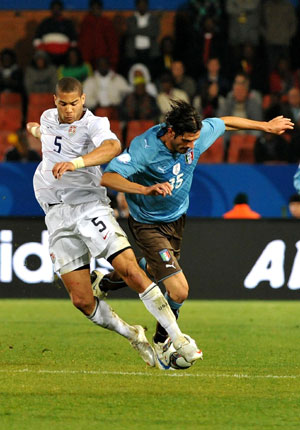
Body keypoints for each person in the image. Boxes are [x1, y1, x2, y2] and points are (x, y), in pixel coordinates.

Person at [100, 99, 293, 368]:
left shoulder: (197, 136)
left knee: (154, 271)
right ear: (170, 131)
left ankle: (105, 283)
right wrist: (145, 189)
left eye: (195, 140)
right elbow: (108, 177)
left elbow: (225, 122)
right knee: (178, 291)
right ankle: (162, 342)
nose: (192, 146)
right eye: (186, 141)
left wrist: (265, 126)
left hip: (177, 219)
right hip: (147, 223)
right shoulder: (145, 149)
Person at [26, 77, 202, 370]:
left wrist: (77, 163)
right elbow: (40, 130)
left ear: (83, 100)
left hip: (88, 206)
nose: (68, 110)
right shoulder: (47, 118)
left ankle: (176, 337)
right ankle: (133, 334)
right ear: (54, 102)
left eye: (73, 103)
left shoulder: (94, 124)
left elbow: (112, 146)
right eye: (62, 104)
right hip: (55, 214)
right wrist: (33, 129)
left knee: (129, 269)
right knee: (82, 300)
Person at [33, 0, 77, 66]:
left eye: (58, 8)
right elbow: (37, 40)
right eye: (54, 8)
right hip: (47, 55)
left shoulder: (68, 23)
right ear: (51, 9)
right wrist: (43, 50)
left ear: (61, 9)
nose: (56, 10)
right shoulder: (45, 23)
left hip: (64, 55)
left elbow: (74, 41)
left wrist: (67, 51)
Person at [78, 0, 119, 71]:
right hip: (88, 61)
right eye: (93, 8)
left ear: (101, 9)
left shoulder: (107, 23)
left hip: (103, 61)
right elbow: (82, 42)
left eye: (98, 8)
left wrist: (113, 61)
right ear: (90, 9)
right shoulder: (86, 22)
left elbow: (112, 43)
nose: (96, 10)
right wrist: (83, 60)